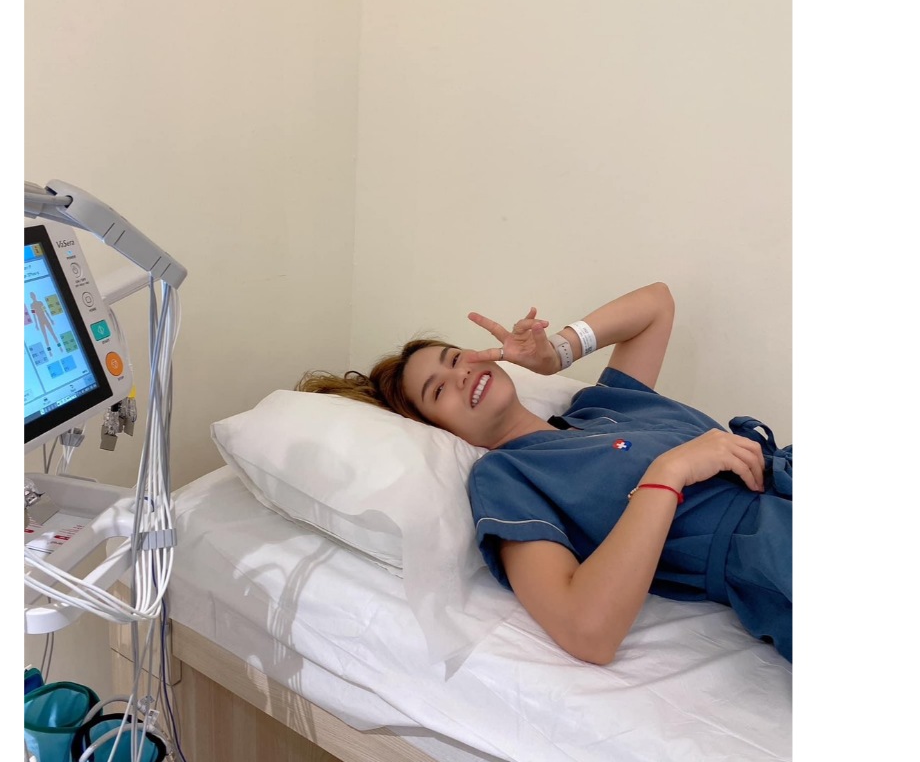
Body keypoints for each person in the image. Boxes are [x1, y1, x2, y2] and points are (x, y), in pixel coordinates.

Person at [297, 282, 792, 665]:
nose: (461, 374)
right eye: (438, 390)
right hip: (774, 547)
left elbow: (656, 304)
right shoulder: (505, 477)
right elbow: (585, 629)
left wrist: (556, 353)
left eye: (456, 359)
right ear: (438, 430)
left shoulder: (597, 407)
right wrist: (669, 472)